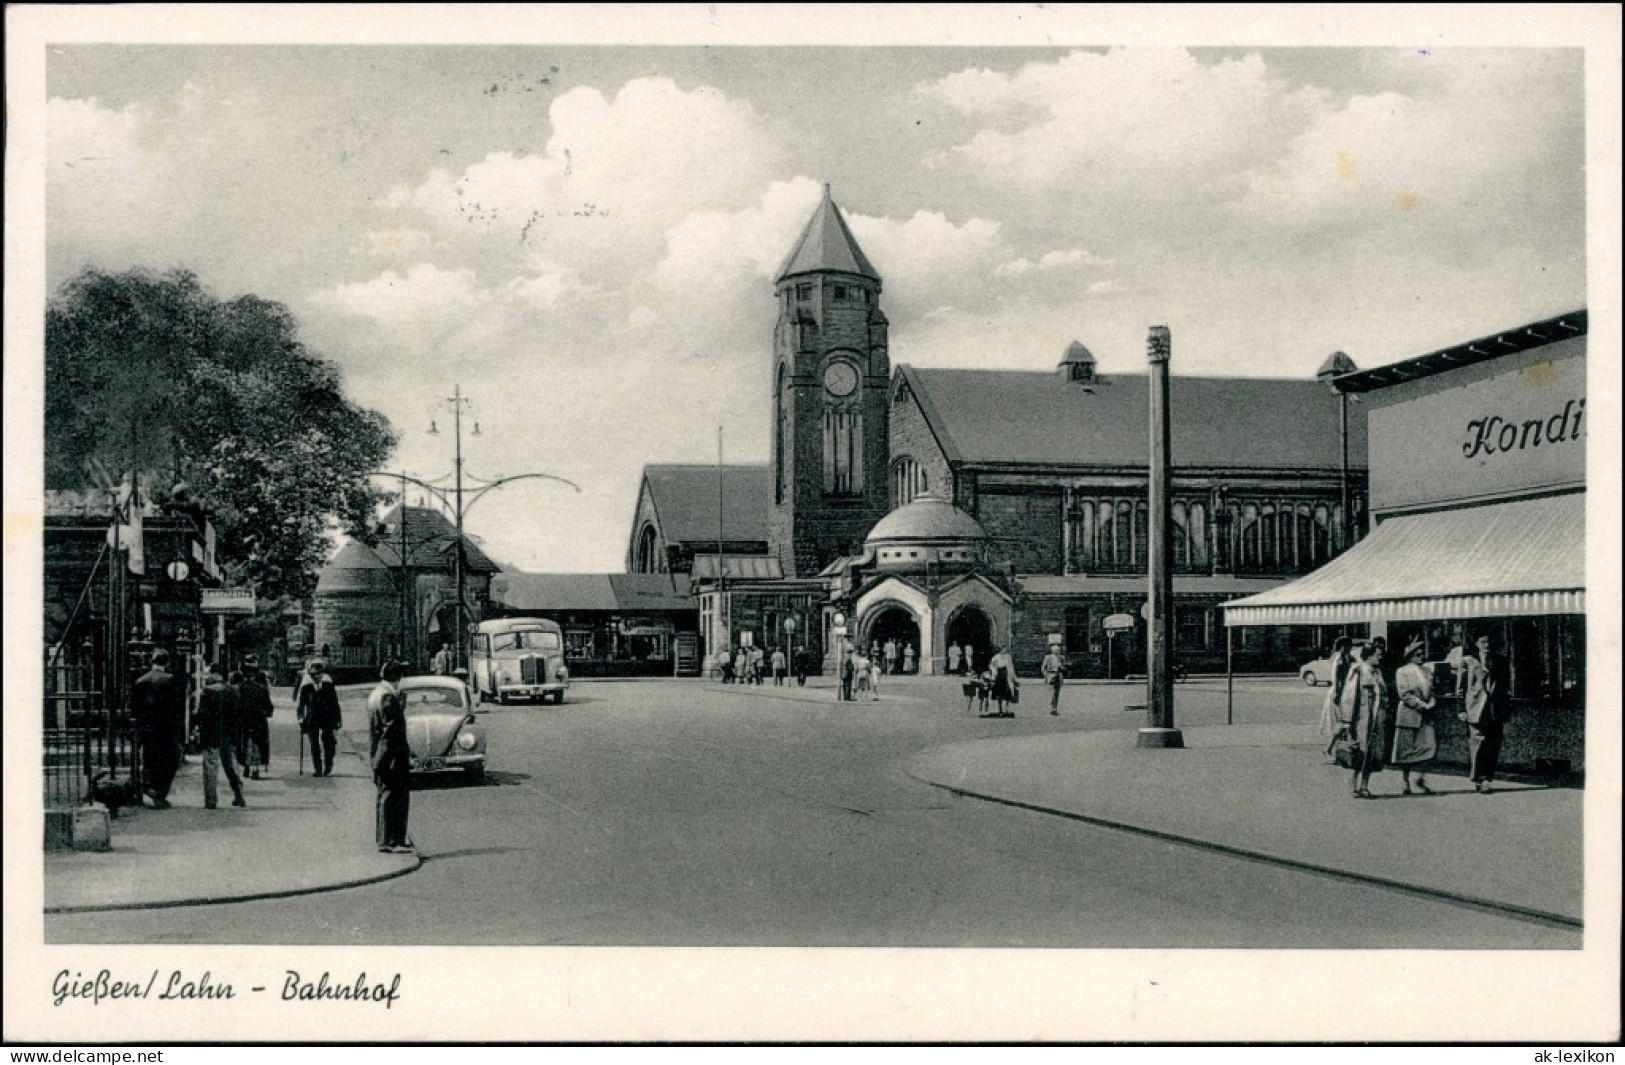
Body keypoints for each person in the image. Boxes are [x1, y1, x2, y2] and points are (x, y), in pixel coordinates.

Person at [368, 660, 413, 853]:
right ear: (396, 678)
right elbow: (391, 731)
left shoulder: (376, 694)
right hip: (392, 756)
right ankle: (393, 841)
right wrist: (386, 760)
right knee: (396, 797)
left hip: (380, 753)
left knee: (385, 796)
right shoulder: (388, 698)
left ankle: (385, 839)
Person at [1457, 633, 1511, 793]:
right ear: (1476, 643)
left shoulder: (1500, 660)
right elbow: (1460, 688)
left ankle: (1487, 776)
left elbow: (1504, 686)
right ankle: (1480, 778)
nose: (1487, 645)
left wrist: (1506, 708)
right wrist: (1461, 709)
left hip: (1495, 708)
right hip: (1475, 708)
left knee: (1494, 743)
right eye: (1483, 642)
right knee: (1478, 743)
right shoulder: (1468, 661)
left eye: (1489, 642)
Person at [133, 649, 185, 808]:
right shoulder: (170, 680)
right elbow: (178, 707)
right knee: (171, 759)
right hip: (167, 728)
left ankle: (151, 789)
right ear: (167, 662)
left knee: (150, 759)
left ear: (152, 661)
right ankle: (160, 792)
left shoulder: (141, 681)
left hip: (147, 728)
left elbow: (136, 709)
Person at [195, 662, 246, 809]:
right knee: (230, 766)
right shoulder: (232, 691)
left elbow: (201, 715)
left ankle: (211, 801)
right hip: (229, 735)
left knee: (210, 766)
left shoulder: (207, 691)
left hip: (211, 735)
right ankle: (239, 795)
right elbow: (238, 715)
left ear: (213, 673)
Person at [1391, 639, 1438, 795]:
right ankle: (1405, 782)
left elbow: (1432, 691)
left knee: (1431, 747)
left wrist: (1431, 701)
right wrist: (1421, 705)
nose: (1421, 656)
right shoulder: (1402, 671)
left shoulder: (1427, 671)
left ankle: (1419, 777)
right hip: (1409, 715)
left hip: (1426, 716)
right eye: (1417, 654)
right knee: (1406, 751)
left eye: (1422, 653)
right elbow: (1404, 694)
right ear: (1410, 656)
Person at [1347, 640, 1391, 798]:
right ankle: (1353, 787)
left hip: (1377, 716)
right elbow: (1351, 697)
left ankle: (1365, 786)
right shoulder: (1358, 671)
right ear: (1368, 655)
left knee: (1372, 753)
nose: (1380, 658)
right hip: (1362, 717)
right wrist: (1348, 720)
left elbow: (1384, 693)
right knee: (1359, 751)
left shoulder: (1377, 672)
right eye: (1377, 655)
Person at [295, 659, 343, 777]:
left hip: (327, 718)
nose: (317, 676)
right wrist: (300, 717)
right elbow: (301, 704)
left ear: (323, 674)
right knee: (314, 744)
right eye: (314, 674)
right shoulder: (306, 687)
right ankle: (318, 768)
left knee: (329, 743)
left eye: (319, 674)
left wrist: (338, 719)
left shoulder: (328, 685)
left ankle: (328, 765)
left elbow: (335, 703)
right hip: (312, 718)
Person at [1319, 637, 1357, 759]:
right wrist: (1339, 695)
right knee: (1341, 722)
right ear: (1342, 647)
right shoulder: (1339, 659)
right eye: (1348, 646)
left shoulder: (1349, 658)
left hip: (1345, 693)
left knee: (1342, 723)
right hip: (1338, 694)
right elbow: (1338, 680)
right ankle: (1332, 749)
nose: (1350, 648)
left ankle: (1333, 749)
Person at [238, 655, 274, 779]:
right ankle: (255, 768)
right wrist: (265, 713)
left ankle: (246, 767)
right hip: (258, 720)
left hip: (244, 720)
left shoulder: (240, 689)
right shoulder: (261, 688)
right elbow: (269, 707)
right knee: (257, 744)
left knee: (245, 743)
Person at [988, 646, 1017, 717]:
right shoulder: (996, 657)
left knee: (1008, 692)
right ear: (1000, 650)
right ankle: (1000, 709)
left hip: (1006, 675)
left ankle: (1007, 708)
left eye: (1006, 650)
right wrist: (994, 672)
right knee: (999, 694)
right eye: (1003, 649)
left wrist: (1014, 677)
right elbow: (991, 665)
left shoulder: (1008, 657)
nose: (1005, 651)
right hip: (999, 675)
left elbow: (1011, 667)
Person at [1041, 643, 1066, 715]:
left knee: (1057, 692)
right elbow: (1043, 668)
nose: (1058, 651)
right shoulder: (1048, 657)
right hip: (1051, 674)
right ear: (1053, 651)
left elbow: (1064, 668)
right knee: (1052, 692)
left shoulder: (1061, 658)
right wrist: (1046, 675)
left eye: (1059, 650)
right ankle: (1051, 708)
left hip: (1058, 674)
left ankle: (1055, 708)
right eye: (1057, 650)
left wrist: (1062, 668)